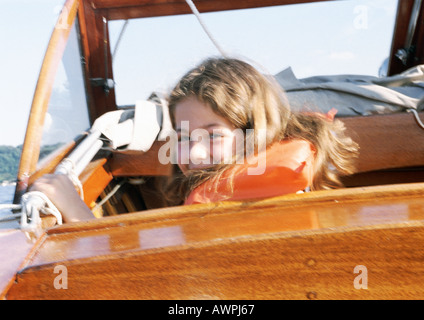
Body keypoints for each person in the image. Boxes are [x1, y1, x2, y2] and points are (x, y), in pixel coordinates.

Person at [30, 57, 359, 222]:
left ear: (253, 134)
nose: (195, 150)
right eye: (184, 136)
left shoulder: (261, 203)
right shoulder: (217, 188)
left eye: (213, 134)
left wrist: (77, 212)